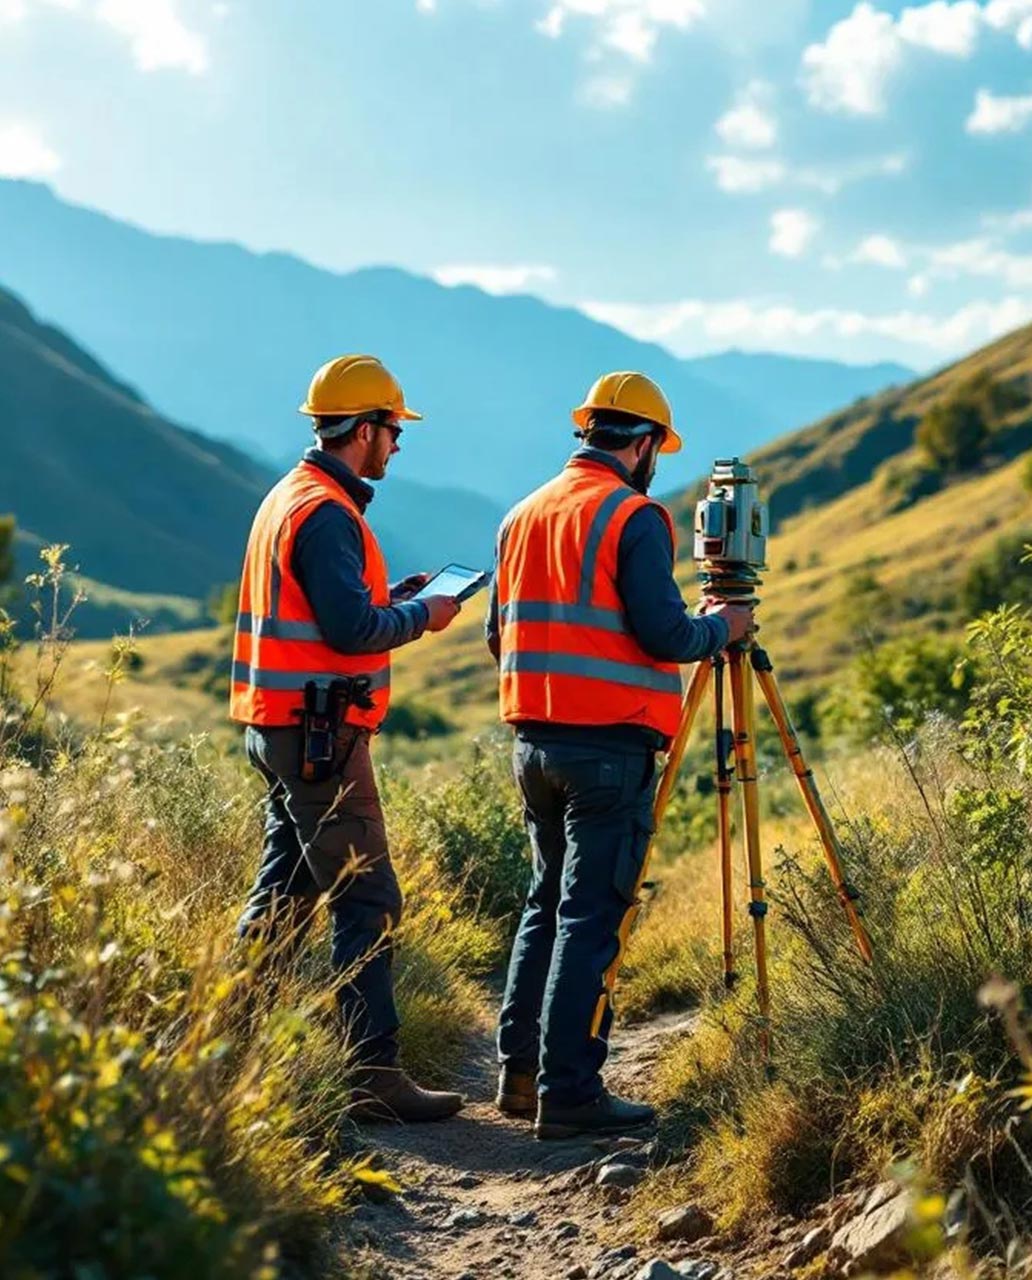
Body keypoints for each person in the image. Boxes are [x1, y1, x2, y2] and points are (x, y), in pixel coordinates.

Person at [486, 370, 754, 1140]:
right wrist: (723, 629)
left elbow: (499, 636)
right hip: (609, 746)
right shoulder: (634, 517)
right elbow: (667, 636)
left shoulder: (522, 514)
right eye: (656, 450)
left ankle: (522, 1074)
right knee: (589, 916)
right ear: (640, 445)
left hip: (533, 744)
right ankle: (569, 1093)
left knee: (545, 904)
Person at [231, 353, 464, 1123]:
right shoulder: (328, 513)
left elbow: (333, 607)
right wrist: (422, 617)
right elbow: (353, 629)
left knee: (286, 899)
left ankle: (228, 1051)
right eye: (394, 431)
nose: (397, 445)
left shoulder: (290, 498)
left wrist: (389, 596)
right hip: (318, 737)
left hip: (280, 725)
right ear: (364, 429)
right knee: (369, 899)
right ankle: (372, 1077)